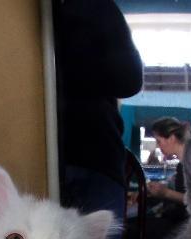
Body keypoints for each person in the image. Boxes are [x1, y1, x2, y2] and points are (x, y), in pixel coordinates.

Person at [55, 0, 142, 225]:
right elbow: (129, 79)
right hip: (97, 149)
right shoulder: (96, 7)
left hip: (38, 146)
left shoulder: (16, 13)